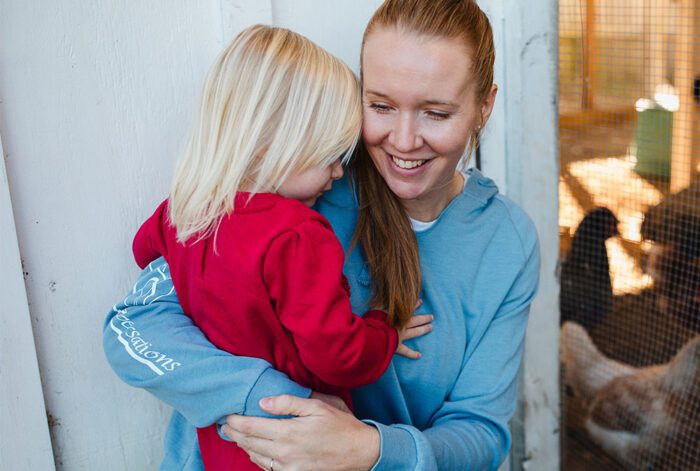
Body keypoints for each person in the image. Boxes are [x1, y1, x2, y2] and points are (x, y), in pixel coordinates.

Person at [102, 1, 540, 469]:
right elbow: (133, 332)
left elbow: (481, 435)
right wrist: (284, 402)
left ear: (484, 105)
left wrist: (367, 449)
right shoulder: (296, 186)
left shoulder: (507, 241)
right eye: (381, 106)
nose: (405, 140)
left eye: (435, 113)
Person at [126, 25, 429, 470]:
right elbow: (337, 355)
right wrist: (384, 330)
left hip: (222, 442)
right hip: (293, 443)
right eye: (331, 155)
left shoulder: (181, 213)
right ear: (278, 140)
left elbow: (144, 251)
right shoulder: (298, 233)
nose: (339, 173)